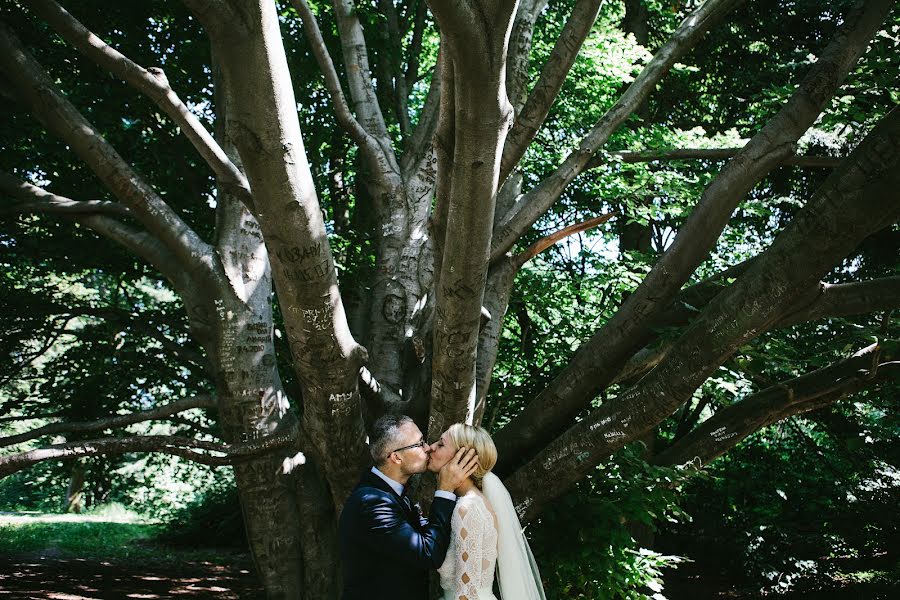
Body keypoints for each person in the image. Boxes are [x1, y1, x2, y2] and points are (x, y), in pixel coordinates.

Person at [339, 414, 478, 600]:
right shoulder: (372, 503)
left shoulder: (393, 492)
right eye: (419, 444)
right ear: (396, 457)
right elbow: (429, 554)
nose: (428, 448)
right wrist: (445, 489)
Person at [427, 423, 546, 600]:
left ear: (462, 458)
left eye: (441, 444)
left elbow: (466, 594)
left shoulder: (467, 508)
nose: (431, 448)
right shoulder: (474, 502)